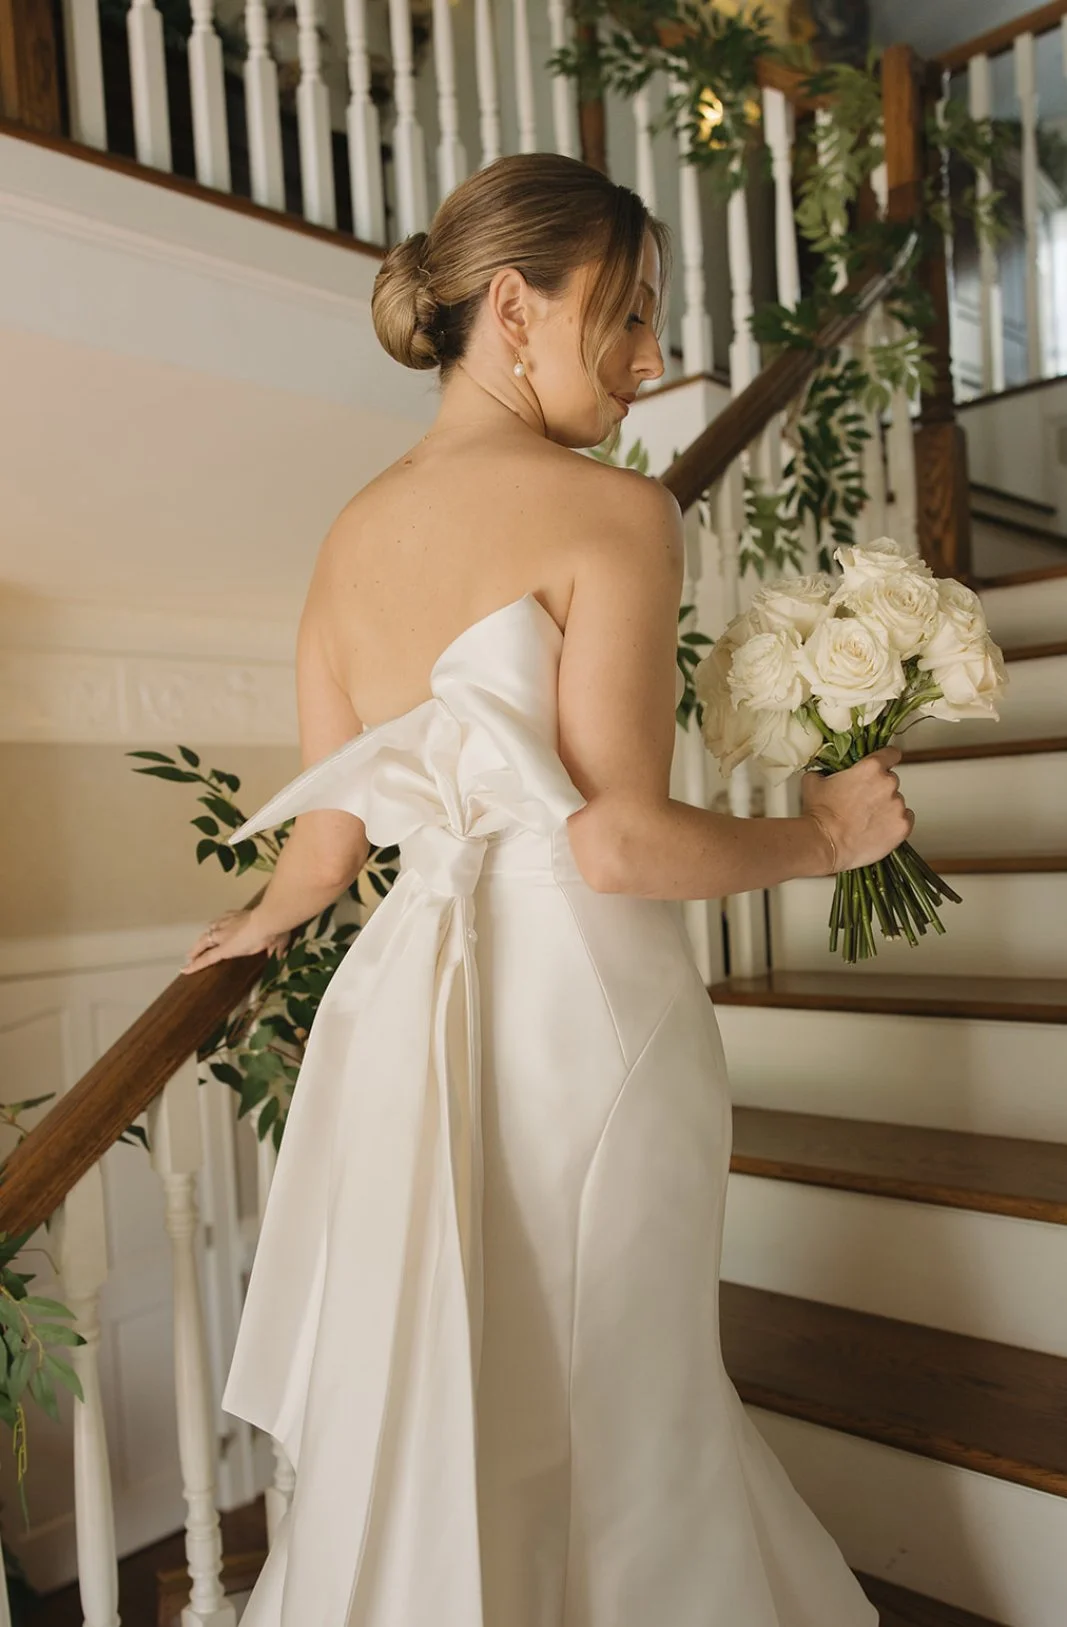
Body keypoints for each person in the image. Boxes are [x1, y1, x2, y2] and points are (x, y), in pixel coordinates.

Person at [182, 153, 908, 1626]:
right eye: (625, 317)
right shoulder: (611, 515)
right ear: (511, 308)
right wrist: (825, 837)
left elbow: (326, 852)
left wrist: (262, 918)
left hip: (401, 1015)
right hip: (582, 1015)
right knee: (619, 1396)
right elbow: (616, 844)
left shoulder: (347, 535)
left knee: (453, 1384)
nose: (649, 362)